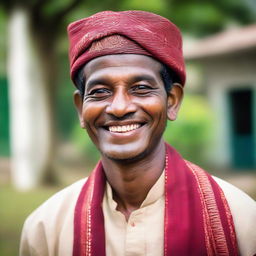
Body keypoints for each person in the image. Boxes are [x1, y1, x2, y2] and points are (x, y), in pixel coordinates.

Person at [20, 10, 256, 256]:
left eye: (141, 88)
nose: (120, 108)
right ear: (81, 108)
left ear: (172, 101)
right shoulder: (46, 229)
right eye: (100, 91)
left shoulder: (241, 222)